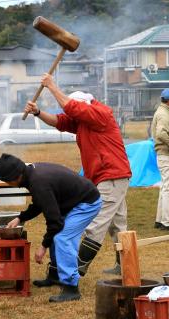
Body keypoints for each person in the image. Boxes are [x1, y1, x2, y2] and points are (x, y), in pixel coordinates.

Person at [24, 74, 131, 276]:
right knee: (118, 226)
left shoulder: (100, 114)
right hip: (109, 176)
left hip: (111, 176)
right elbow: (60, 121)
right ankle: (125, 266)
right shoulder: (84, 121)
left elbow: (72, 109)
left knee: (96, 224)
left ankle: (77, 269)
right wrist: (38, 112)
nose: (75, 116)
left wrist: (52, 86)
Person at [0, 154, 102, 302]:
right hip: (74, 201)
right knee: (57, 234)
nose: (7, 184)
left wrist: (43, 247)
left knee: (63, 238)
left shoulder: (38, 182)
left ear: (14, 177)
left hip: (87, 203)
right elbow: (40, 202)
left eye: (6, 181)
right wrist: (21, 217)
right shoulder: (31, 174)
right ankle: (55, 275)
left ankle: (71, 289)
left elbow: (54, 222)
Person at [151, 88, 169, 231]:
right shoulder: (164, 115)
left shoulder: (164, 112)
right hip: (166, 155)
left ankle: (160, 220)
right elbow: (161, 132)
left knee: (164, 187)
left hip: (163, 155)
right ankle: (168, 221)